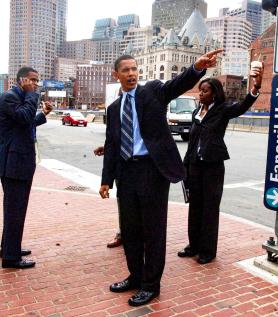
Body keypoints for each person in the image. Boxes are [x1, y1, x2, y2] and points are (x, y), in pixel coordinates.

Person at [99, 49, 222, 307]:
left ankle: (151, 285)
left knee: (153, 231)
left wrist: (196, 68)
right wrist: (106, 180)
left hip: (153, 171)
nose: (132, 74)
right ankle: (135, 276)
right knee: (130, 230)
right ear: (116, 75)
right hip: (126, 173)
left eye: (134, 69)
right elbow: (112, 145)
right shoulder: (113, 109)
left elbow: (177, 85)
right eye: (126, 70)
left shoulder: (153, 91)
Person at [177, 63, 264, 265]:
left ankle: (207, 251)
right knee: (195, 207)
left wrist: (255, 88)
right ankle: (194, 246)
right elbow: (192, 142)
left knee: (209, 209)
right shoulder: (196, 113)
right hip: (194, 166)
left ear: (214, 94)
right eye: (200, 90)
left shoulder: (223, 110)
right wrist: (185, 166)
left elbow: (242, 106)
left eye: (205, 91)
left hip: (213, 167)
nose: (201, 94)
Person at [0, 66, 53, 269]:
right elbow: (24, 117)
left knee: (15, 209)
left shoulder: (18, 97)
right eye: (33, 80)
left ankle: (9, 248)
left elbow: (26, 123)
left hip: (18, 161)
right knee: (15, 210)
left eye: (37, 81)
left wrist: (42, 114)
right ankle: (11, 258)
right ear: (21, 80)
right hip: (14, 163)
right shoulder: (11, 97)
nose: (36, 84)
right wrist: (31, 96)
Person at [93, 145, 122, 248]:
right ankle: (122, 234)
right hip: (122, 166)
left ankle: (143, 237)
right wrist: (107, 148)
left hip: (144, 166)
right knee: (122, 203)